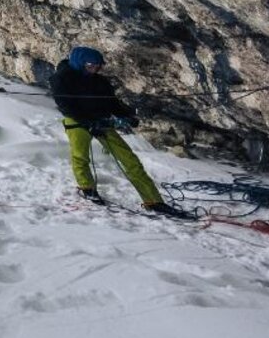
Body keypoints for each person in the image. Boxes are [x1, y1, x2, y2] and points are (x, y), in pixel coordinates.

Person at [49, 46, 191, 218]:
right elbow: (66, 106)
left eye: (97, 66)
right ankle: (87, 188)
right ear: (80, 63)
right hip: (77, 121)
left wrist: (127, 115)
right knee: (80, 156)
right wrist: (89, 122)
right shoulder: (61, 78)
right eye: (90, 65)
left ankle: (153, 201)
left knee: (129, 159)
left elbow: (112, 103)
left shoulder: (100, 81)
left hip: (101, 121)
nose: (94, 69)